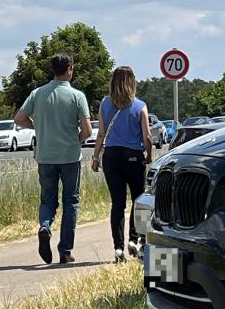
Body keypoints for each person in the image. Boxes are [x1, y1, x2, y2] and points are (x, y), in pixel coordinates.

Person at [14, 53, 92, 264]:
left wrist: (37, 126)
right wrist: (76, 139)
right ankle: (65, 250)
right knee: (71, 201)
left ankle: (45, 226)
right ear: (69, 70)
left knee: (48, 199)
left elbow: (19, 118)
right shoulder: (77, 96)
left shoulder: (37, 93)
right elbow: (87, 130)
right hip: (69, 156)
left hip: (45, 155)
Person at [91, 66, 152, 262]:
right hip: (134, 157)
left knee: (117, 203)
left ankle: (118, 248)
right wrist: (149, 155)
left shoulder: (104, 104)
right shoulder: (140, 106)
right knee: (139, 200)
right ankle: (136, 239)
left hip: (111, 157)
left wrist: (95, 157)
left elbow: (101, 133)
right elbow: (147, 136)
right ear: (132, 82)